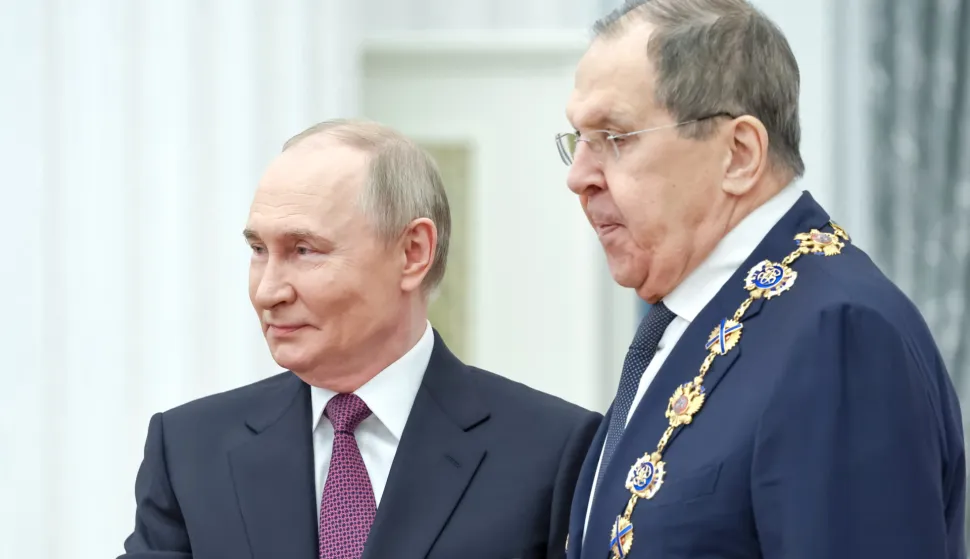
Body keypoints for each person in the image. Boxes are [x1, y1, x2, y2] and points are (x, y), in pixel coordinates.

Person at [558, 2, 965, 559]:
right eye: (578, 138)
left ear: (739, 154)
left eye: (616, 136)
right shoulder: (694, 314)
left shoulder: (840, 335)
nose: (578, 176)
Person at [119, 119, 602, 559]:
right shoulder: (190, 450)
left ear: (413, 253)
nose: (268, 291)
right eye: (259, 250)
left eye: (304, 250)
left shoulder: (554, 452)